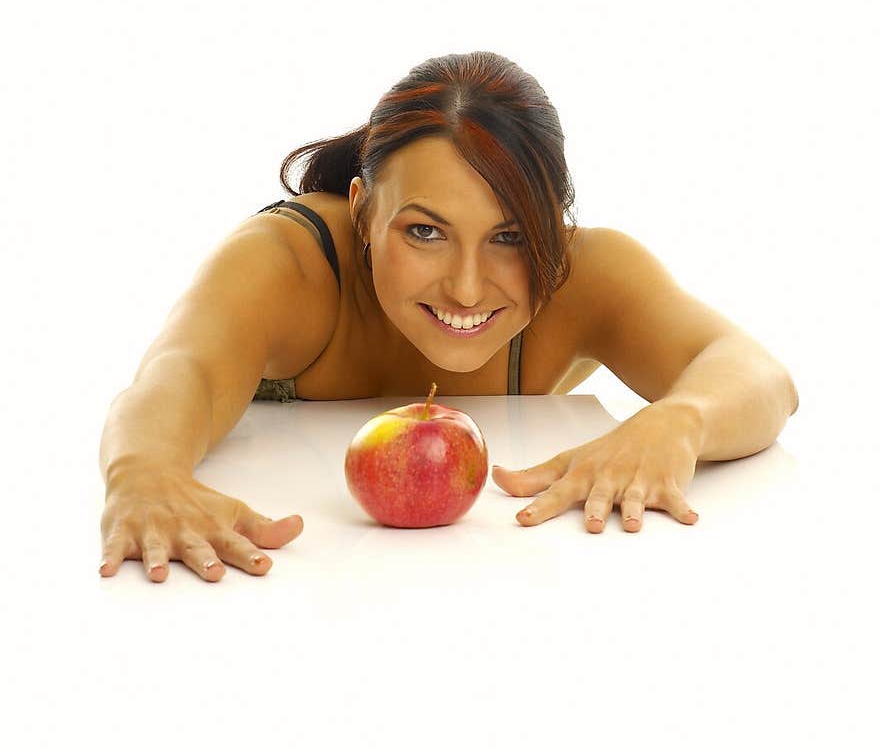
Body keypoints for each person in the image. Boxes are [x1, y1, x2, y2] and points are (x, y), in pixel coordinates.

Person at [99, 50, 798, 583]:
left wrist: (680, 420)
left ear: (552, 229)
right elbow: (179, 369)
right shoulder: (291, 263)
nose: (467, 289)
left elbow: (760, 375)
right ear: (365, 212)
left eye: (511, 237)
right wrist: (143, 469)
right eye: (425, 232)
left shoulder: (585, 275)